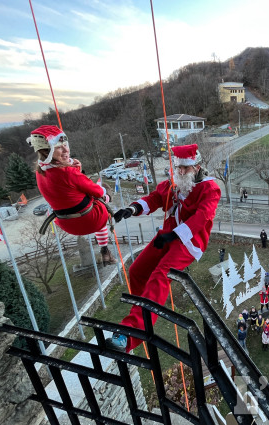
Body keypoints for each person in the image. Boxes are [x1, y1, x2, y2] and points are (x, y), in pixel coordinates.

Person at [106, 144, 221, 352]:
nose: (181, 172)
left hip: (188, 242)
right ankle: (142, 314)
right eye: (178, 168)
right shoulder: (175, 183)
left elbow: (202, 218)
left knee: (160, 275)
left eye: (185, 168)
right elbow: (156, 198)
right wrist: (133, 208)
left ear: (197, 167)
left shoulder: (210, 188)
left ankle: (130, 333)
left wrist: (173, 235)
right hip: (168, 235)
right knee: (137, 271)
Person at [28, 125, 117, 266]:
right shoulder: (68, 173)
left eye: (65, 145)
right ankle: (108, 201)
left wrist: (74, 170)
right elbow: (96, 191)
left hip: (67, 224)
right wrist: (76, 172)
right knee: (103, 190)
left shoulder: (40, 172)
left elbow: (66, 188)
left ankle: (105, 250)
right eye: (59, 147)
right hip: (90, 220)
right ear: (47, 151)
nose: (66, 150)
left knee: (92, 204)